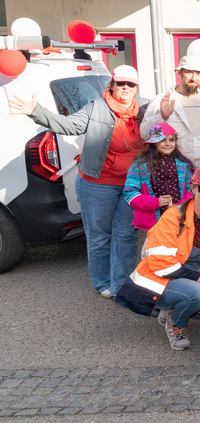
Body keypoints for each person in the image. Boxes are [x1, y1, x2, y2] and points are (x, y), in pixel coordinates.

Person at [10, 65, 147, 298]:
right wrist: (36, 110)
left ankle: (122, 283)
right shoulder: (97, 107)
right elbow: (69, 125)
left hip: (132, 185)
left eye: (130, 84)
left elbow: (162, 132)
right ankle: (103, 283)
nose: (125, 88)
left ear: (136, 87)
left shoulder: (146, 108)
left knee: (126, 235)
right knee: (100, 235)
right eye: (120, 83)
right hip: (97, 184)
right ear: (112, 84)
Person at [116, 164, 200, 351]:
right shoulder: (174, 216)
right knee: (198, 295)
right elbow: (159, 262)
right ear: (193, 188)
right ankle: (176, 322)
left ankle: (176, 308)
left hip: (188, 281)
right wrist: (199, 284)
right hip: (156, 281)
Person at [142, 53, 200, 166]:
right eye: (189, 72)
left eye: (198, 74)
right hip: (174, 172)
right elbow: (144, 133)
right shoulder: (162, 99)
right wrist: (162, 117)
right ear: (179, 72)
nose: (193, 78)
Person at [123, 123, 194, 231]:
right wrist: (155, 202)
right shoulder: (140, 164)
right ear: (154, 143)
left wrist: (179, 206)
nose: (168, 144)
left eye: (171, 140)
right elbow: (130, 193)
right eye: (162, 140)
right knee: (152, 248)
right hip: (151, 224)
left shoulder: (182, 164)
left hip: (178, 219)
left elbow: (192, 189)